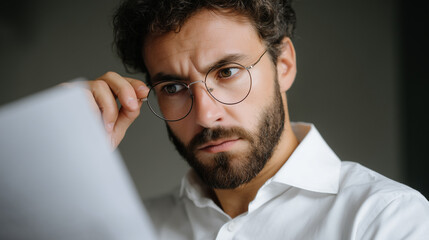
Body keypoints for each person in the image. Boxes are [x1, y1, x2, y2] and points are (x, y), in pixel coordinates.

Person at [81, 0, 429, 239]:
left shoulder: (385, 219)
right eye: (173, 87)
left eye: (227, 71)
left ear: (284, 65)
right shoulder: (134, 228)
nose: (205, 114)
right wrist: (62, 154)